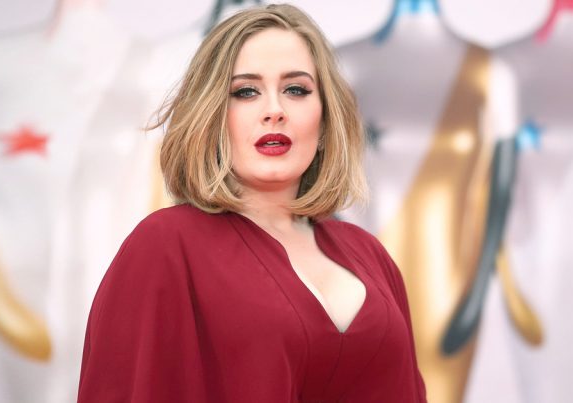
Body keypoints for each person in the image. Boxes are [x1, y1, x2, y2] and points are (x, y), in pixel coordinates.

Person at [77, 4, 427, 402]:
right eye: (246, 92)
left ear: (325, 119)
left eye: (296, 90)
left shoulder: (370, 254)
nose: (274, 111)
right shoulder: (164, 245)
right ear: (212, 116)